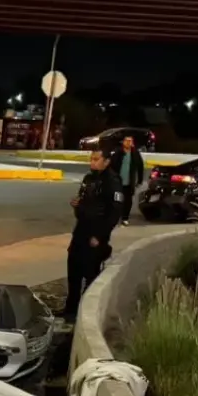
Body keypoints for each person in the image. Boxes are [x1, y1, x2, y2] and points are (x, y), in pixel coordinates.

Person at [63, 150, 123, 322]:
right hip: (81, 230)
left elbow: (114, 213)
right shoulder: (89, 178)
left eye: (97, 159)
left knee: (90, 273)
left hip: (96, 235)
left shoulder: (112, 182)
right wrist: (77, 205)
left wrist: (100, 236)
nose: (93, 162)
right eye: (91, 159)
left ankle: (85, 312)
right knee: (73, 269)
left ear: (106, 161)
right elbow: (83, 201)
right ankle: (70, 310)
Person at [109, 135, 144, 226]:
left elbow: (140, 167)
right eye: (127, 140)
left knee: (128, 201)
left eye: (130, 141)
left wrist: (140, 180)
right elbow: (111, 166)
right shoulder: (118, 152)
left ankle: (125, 218)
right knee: (117, 200)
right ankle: (116, 216)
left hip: (129, 182)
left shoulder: (135, 153)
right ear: (123, 142)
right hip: (118, 182)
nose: (128, 142)